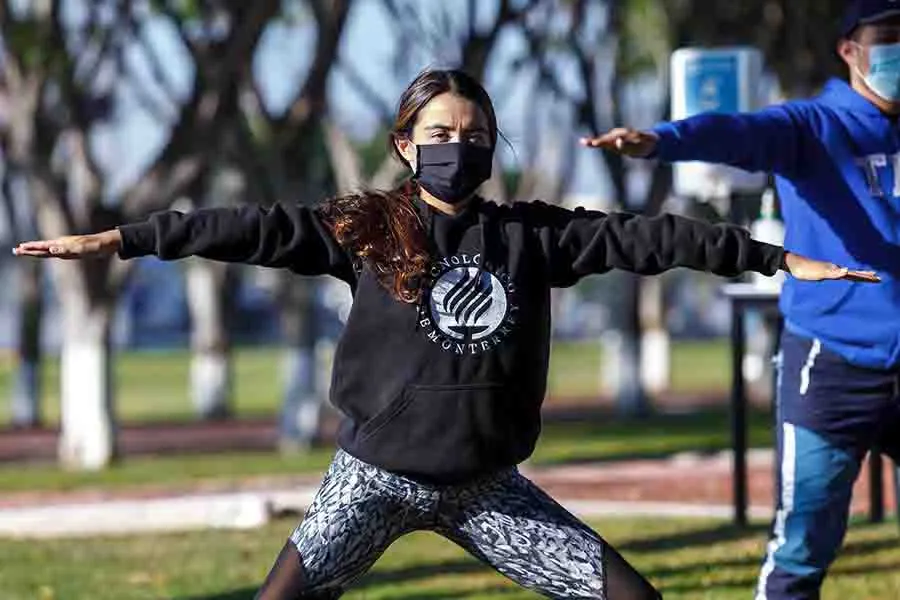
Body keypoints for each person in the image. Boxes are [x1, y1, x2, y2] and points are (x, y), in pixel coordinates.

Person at [14, 69, 869, 600]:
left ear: (491, 149)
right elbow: (243, 227)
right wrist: (124, 238)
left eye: (472, 136)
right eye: (438, 135)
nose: (455, 148)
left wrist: (776, 257)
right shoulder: (365, 229)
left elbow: (654, 240)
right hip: (372, 479)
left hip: (487, 489)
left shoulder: (533, 237)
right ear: (404, 144)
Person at [582, 2, 900, 599]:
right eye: (889, 38)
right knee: (803, 546)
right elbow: (734, 133)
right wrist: (660, 142)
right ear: (849, 50)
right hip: (830, 369)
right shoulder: (811, 126)